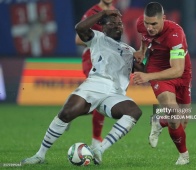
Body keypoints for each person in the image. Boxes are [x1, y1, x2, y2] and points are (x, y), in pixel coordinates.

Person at [22, 9, 142, 165]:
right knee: (66, 113)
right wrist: (103, 12)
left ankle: (99, 149)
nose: (117, 26)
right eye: (112, 23)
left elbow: (146, 70)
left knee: (134, 111)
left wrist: (145, 54)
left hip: (114, 95)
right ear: (103, 27)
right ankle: (40, 155)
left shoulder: (130, 51)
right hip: (94, 85)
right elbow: (79, 28)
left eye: (119, 24)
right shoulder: (97, 38)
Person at [133, 2, 192, 165]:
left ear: (163, 19)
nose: (149, 28)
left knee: (181, 121)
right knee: (173, 112)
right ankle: (184, 156)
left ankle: (159, 121)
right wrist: (142, 52)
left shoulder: (175, 34)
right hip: (157, 68)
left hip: (180, 71)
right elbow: (145, 38)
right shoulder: (141, 24)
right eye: (147, 23)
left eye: (154, 24)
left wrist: (147, 77)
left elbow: (177, 70)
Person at [74, 0, 116, 149]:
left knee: (99, 100)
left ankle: (68, 114)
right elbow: (79, 39)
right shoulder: (92, 13)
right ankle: (96, 139)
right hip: (91, 60)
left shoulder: (115, 12)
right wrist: (98, 41)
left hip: (107, 61)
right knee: (102, 96)